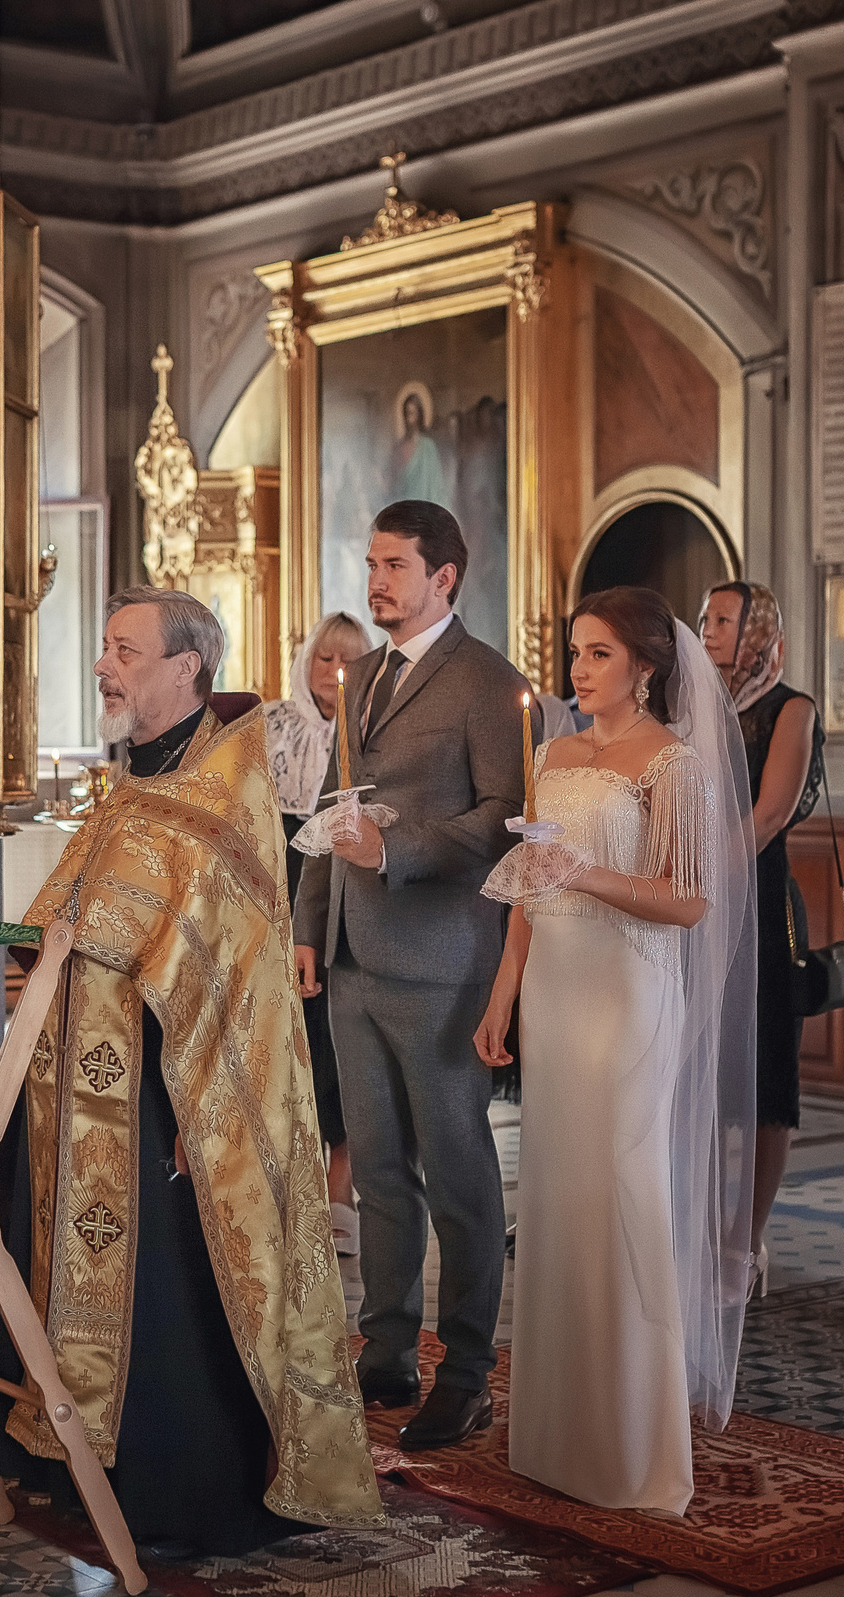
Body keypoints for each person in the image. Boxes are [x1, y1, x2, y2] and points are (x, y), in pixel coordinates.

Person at [0, 588, 382, 1560]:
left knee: (168, 1287)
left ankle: (178, 1491)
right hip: (80, 1082)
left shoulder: (225, 788)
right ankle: (70, 1464)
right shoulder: (139, 776)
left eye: (124, 649)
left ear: (185, 667)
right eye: (106, 646)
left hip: (175, 1093)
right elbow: (81, 910)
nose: (103, 664)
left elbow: (208, 949)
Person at [473, 587, 758, 1514]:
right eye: (574, 652)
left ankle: (633, 1446)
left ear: (643, 665)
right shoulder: (552, 752)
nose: (578, 670)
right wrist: (503, 994)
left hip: (628, 993)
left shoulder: (673, 764)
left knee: (623, 1189)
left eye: (597, 654)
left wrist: (584, 872)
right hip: (554, 990)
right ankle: (559, 1436)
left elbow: (688, 901)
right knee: (558, 1197)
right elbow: (525, 886)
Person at [292, 499, 527, 1451]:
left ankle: (465, 1368)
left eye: (395, 565)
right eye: (372, 561)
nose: (376, 580)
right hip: (351, 955)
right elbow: (327, 803)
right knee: (379, 1174)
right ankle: (384, 1349)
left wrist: (398, 851)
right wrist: (312, 923)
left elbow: (508, 816)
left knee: (459, 1173)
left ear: (444, 578)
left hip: (442, 962)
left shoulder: (489, 683)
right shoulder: (361, 678)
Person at [699, 581, 821, 1293]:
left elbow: (771, 813)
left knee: (767, 1079)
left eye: (722, 619)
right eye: (706, 617)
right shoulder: (688, 699)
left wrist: (707, 880)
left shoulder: (789, 708)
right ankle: (702, 1226)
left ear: (757, 630)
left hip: (756, 904)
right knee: (703, 1074)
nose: (708, 628)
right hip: (689, 904)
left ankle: (746, 1241)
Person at [264, 611, 374, 1255]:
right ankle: (290, 1189)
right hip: (280, 885)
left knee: (343, 1048)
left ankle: (341, 1189)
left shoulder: (371, 730)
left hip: (346, 890)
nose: (335, 673)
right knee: (292, 1045)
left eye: (349, 661)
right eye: (324, 658)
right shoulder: (272, 726)